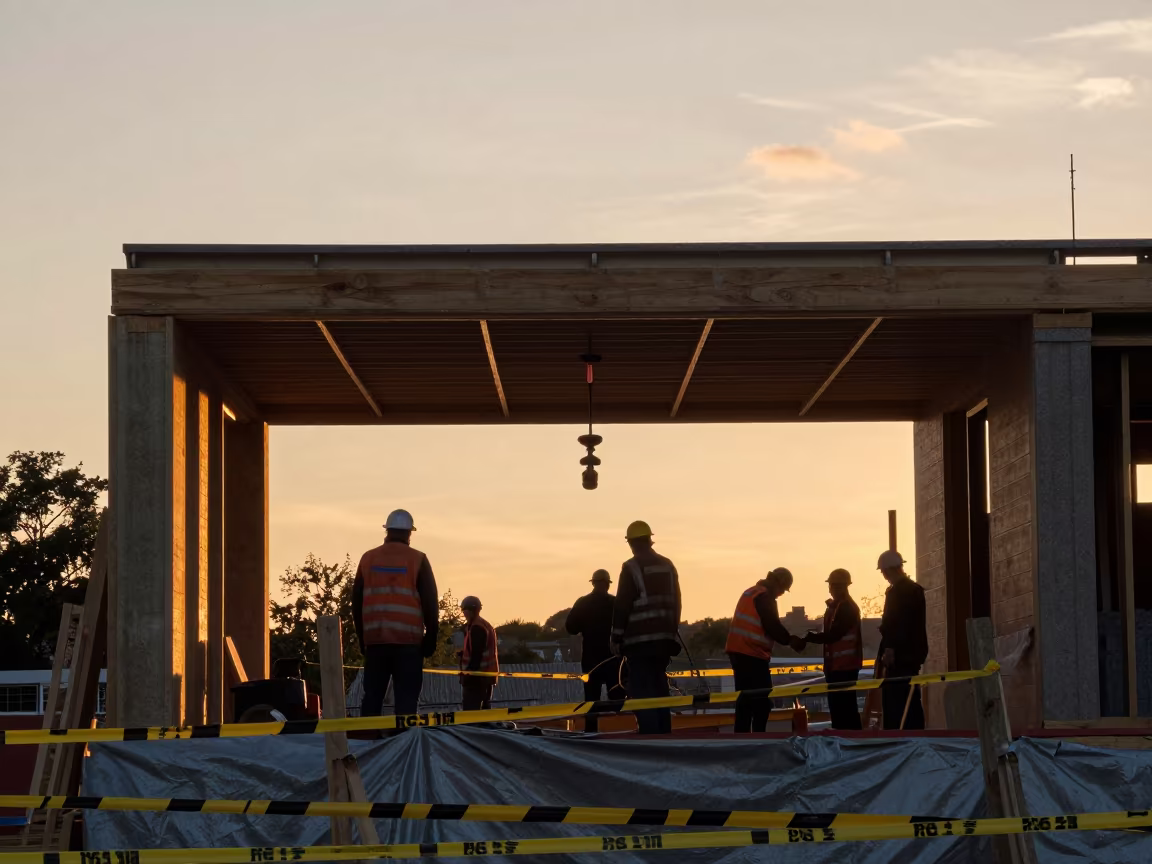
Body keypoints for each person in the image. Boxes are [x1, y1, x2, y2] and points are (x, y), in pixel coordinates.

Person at [352, 509, 439, 718]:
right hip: (408, 644)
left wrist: (362, 638)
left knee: (372, 697)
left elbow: (356, 603)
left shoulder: (368, 558)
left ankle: (367, 745)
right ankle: (405, 745)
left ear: (387, 531)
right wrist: (431, 638)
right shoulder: (418, 559)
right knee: (407, 700)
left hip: (376, 641)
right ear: (409, 533)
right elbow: (430, 602)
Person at [611, 521, 682, 735]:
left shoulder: (631, 567)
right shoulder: (668, 565)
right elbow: (677, 601)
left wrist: (616, 637)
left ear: (631, 543)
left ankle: (649, 739)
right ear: (649, 540)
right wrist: (671, 632)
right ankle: (663, 736)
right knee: (660, 689)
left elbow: (622, 604)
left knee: (642, 692)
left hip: (639, 643)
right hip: (663, 643)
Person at [724, 567, 802, 733]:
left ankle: (742, 739)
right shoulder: (765, 597)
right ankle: (758, 738)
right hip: (752, 654)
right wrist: (790, 640)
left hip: (739, 653)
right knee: (762, 703)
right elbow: (772, 624)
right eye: (782, 590)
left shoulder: (751, 592)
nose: (780, 594)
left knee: (745, 701)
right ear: (777, 583)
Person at [804, 569, 863, 730]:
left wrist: (810, 638)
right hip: (835, 667)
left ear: (846, 587)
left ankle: (851, 740)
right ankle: (844, 739)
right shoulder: (835, 607)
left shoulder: (847, 608)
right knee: (839, 709)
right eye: (832, 585)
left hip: (845, 667)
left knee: (846, 709)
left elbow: (834, 635)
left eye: (838, 586)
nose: (834, 589)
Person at [566, 569, 624, 733]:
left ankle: (591, 734)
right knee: (617, 699)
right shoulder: (616, 604)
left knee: (591, 701)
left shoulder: (583, 603)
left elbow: (571, 628)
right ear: (607, 584)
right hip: (614, 660)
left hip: (591, 661)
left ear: (593, 583)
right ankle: (620, 732)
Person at [876, 550, 928, 730]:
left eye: (883, 572)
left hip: (899, 658)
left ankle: (897, 738)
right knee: (911, 699)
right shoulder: (916, 590)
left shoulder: (896, 593)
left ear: (889, 570)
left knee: (895, 702)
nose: (884, 576)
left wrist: (889, 650)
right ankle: (917, 734)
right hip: (913, 656)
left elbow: (893, 623)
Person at [459, 595, 499, 710]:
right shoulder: (485, 625)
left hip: (477, 678)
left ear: (469, 611)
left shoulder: (477, 627)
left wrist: (468, 675)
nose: (463, 614)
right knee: (484, 711)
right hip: (487, 676)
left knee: (471, 712)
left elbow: (477, 655)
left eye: (464, 610)